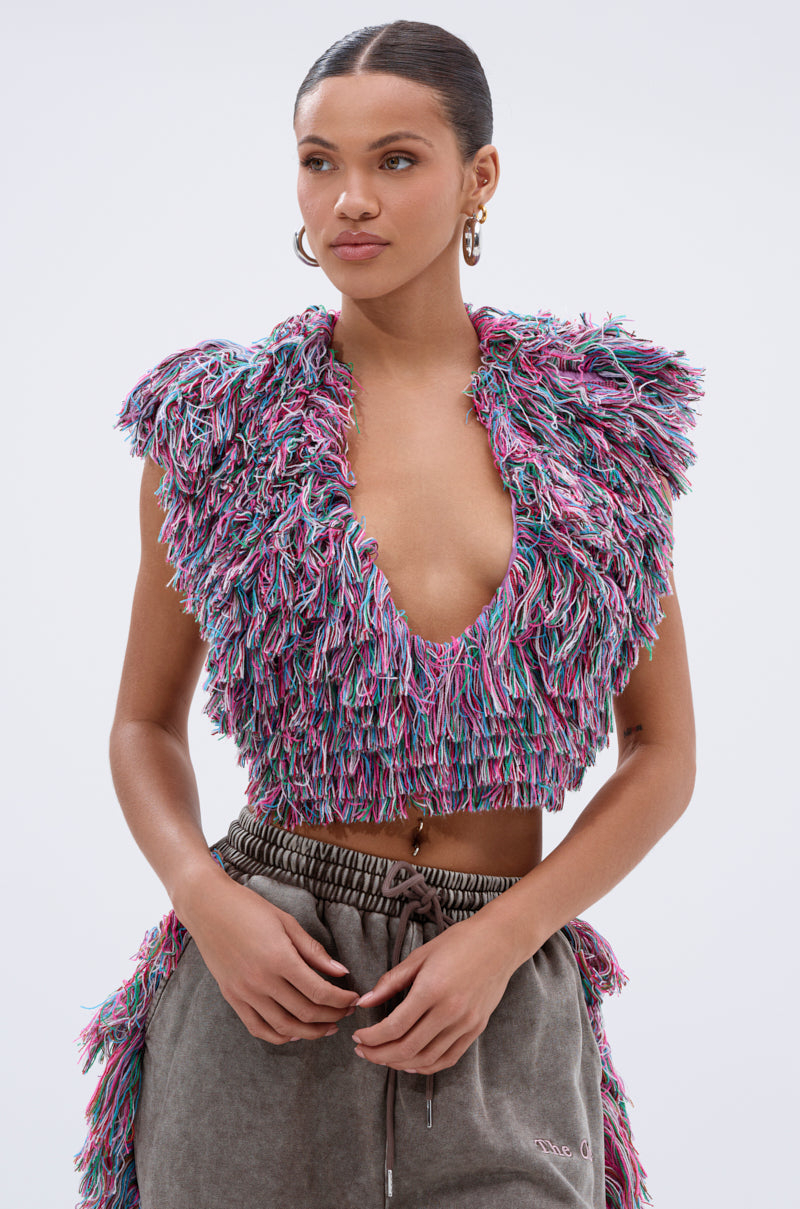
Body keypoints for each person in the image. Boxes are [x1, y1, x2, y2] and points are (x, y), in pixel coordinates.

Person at [74, 19, 703, 1209]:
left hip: (496, 980)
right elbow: (142, 724)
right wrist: (208, 905)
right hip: (269, 973)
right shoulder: (217, 426)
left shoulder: (598, 429)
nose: (349, 199)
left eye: (396, 159)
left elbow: (660, 751)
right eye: (319, 162)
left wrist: (506, 936)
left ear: (478, 177)